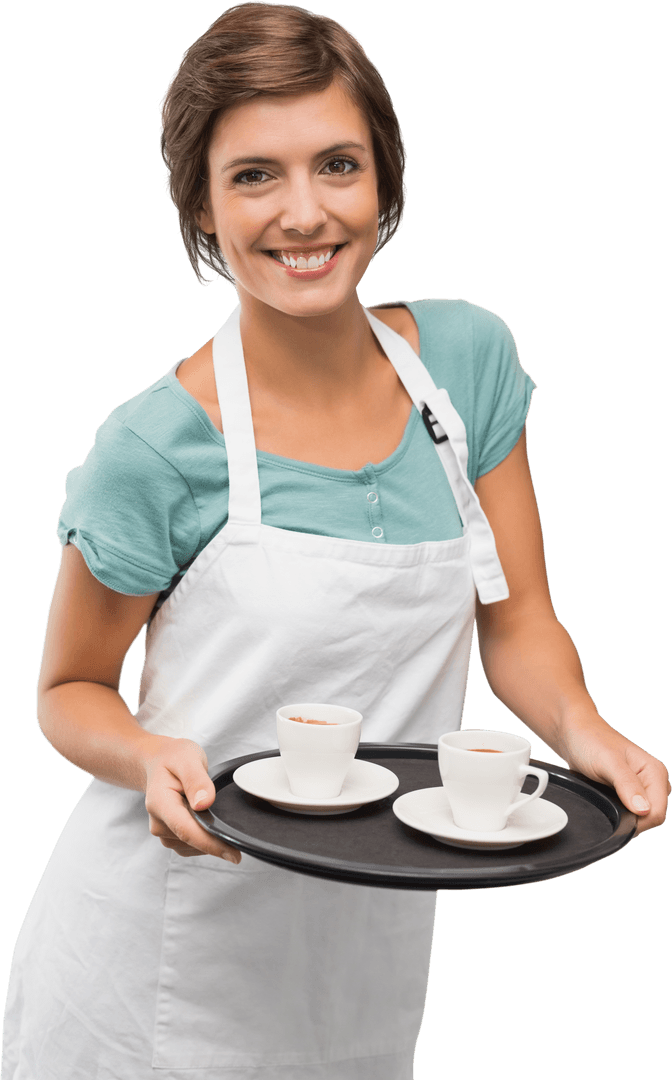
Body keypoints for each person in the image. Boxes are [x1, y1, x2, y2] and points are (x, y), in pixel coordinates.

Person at [2, 3, 669, 1078]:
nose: (304, 214)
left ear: (386, 179)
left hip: (359, 957)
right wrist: (148, 757)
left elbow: (521, 621)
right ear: (202, 206)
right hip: (158, 958)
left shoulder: (467, 363)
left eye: (338, 165)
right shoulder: (157, 443)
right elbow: (67, 689)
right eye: (254, 175)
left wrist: (581, 728)